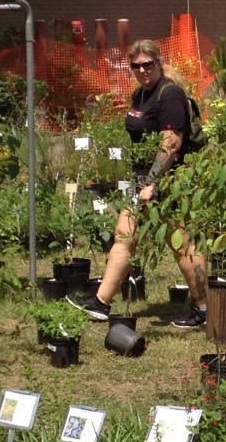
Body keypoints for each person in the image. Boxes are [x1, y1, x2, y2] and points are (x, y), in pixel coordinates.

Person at [68, 39, 208, 328]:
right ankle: (101, 303)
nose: (142, 70)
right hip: (142, 180)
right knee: (125, 235)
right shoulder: (141, 94)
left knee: (181, 243)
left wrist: (153, 184)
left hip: (168, 180)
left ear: (158, 63)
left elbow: (171, 143)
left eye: (148, 64)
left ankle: (204, 307)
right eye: (136, 65)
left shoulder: (168, 95)